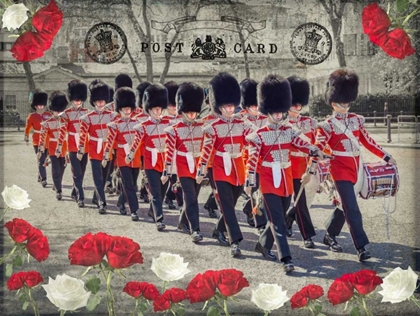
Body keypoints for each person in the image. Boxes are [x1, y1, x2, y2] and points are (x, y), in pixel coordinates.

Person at [313, 68, 397, 261]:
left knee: (345, 206)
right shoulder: (327, 125)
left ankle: (329, 235)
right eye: (342, 102)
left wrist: (386, 157)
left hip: (357, 168)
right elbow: (318, 147)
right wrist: (316, 162)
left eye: (347, 102)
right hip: (339, 170)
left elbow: (368, 141)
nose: (346, 105)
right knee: (352, 208)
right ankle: (361, 248)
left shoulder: (357, 120)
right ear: (333, 103)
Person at [244, 74, 323, 273]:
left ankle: (263, 245)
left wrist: (313, 150)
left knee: (277, 218)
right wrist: (250, 180)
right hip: (269, 182)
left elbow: (302, 143)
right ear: (267, 111)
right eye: (275, 113)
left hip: (287, 182)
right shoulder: (258, 136)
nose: (279, 116)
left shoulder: (289, 130)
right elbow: (253, 159)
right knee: (278, 220)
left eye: (281, 112)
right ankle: (286, 258)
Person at [197, 72, 255, 257]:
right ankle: (235, 241)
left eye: (232, 106)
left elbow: (252, 143)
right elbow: (206, 150)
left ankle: (219, 229)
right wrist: (201, 170)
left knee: (234, 200)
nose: (230, 109)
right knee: (227, 205)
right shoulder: (211, 126)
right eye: (227, 106)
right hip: (219, 167)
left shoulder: (243, 124)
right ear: (219, 106)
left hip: (238, 167)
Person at [162, 82, 205, 242]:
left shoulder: (203, 127)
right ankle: (195, 230)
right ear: (183, 111)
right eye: (189, 112)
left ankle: (182, 221)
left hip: (198, 166)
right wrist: (167, 171)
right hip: (183, 166)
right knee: (191, 198)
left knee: (193, 196)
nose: (192, 115)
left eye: (194, 112)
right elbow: (169, 151)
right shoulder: (174, 129)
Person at [127, 83, 171, 231]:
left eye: (160, 108)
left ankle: (153, 211)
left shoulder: (168, 123)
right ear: (150, 109)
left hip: (165, 161)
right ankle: (159, 219)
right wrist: (131, 154)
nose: (158, 111)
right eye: (155, 109)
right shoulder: (143, 125)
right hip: (150, 161)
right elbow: (136, 142)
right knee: (156, 191)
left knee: (164, 188)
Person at [284, 75, 318, 249]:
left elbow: (315, 147)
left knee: (301, 201)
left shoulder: (309, 123)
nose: (297, 107)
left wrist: (310, 169)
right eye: (294, 104)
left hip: (301, 168)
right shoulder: (281, 124)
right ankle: (286, 222)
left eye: (299, 104)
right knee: (283, 202)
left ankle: (307, 235)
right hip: (285, 166)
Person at [78, 81, 118, 214]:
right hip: (94, 150)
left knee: (105, 176)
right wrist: (80, 149)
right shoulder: (87, 118)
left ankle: (96, 198)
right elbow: (83, 134)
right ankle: (102, 203)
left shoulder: (112, 116)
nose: (101, 104)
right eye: (98, 101)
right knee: (98, 178)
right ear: (94, 102)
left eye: (102, 101)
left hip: (108, 150)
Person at [102, 87, 141, 221]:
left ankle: (120, 202)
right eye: (124, 109)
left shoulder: (137, 123)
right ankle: (134, 211)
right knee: (129, 184)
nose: (126, 111)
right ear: (119, 110)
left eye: (128, 109)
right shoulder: (115, 125)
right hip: (123, 158)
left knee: (133, 184)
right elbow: (110, 141)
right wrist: (106, 154)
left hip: (135, 157)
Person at [237, 78, 268, 232]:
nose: (256, 108)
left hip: (264, 160)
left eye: (257, 105)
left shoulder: (265, 118)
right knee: (254, 189)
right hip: (248, 159)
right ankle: (260, 223)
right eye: (252, 105)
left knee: (264, 190)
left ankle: (249, 208)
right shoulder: (240, 120)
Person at [56, 80, 89, 207]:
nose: (77, 102)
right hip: (72, 146)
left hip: (84, 146)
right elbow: (62, 132)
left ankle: (74, 192)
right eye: (75, 100)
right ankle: (81, 197)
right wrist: (60, 147)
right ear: (72, 100)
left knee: (82, 170)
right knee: (77, 173)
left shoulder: (87, 113)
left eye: (79, 100)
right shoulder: (66, 114)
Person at [38, 91, 69, 200]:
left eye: (60, 111)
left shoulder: (66, 122)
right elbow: (42, 137)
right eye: (56, 111)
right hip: (52, 148)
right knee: (56, 169)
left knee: (62, 168)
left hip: (64, 148)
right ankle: (59, 191)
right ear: (52, 110)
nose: (58, 113)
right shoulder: (47, 123)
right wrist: (40, 149)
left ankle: (57, 184)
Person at [24, 89, 52, 187]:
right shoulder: (32, 116)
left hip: (47, 140)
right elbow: (27, 128)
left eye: (42, 105)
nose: (41, 107)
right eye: (39, 105)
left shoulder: (48, 115)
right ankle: (44, 179)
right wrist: (26, 137)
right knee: (40, 158)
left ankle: (40, 175)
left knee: (45, 160)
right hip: (37, 139)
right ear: (35, 106)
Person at [163, 81, 183, 210]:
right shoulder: (163, 119)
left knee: (178, 179)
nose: (174, 107)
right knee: (170, 178)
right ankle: (177, 202)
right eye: (171, 105)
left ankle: (174, 199)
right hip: (167, 153)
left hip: (180, 152)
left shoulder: (181, 117)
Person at [134, 81, 152, 204]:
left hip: (151, 150)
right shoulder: (137, 117)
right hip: (140, 150)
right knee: (145, 174)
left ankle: (145, 192)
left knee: (148, 175)